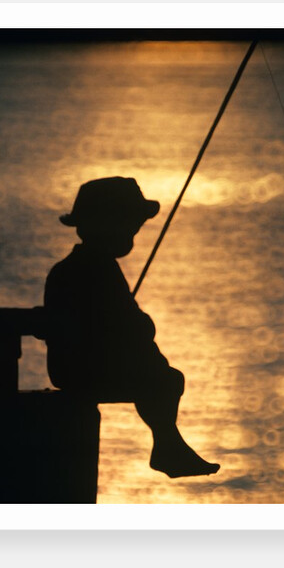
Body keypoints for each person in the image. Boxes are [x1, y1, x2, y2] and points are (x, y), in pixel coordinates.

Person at [44, 176, 220, 478]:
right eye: (129, 225)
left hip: (76, 366)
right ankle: (167, 447)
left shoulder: (82, 267)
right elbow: (124, 326)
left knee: (159, 372)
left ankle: (168, 446)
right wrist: (142, 325)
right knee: (164, 379)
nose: (134, 232)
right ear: (107, 223)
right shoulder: (95, 270)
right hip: (81, 370)